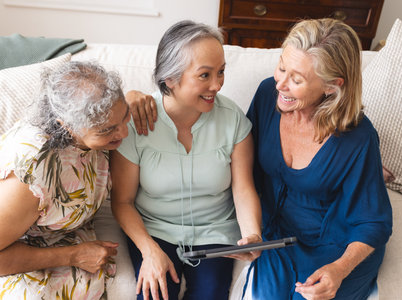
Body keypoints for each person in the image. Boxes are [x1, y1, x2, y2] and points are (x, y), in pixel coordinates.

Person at [241, 18, 393, 299]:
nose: (281, 84)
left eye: (296, 79)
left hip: (334, 244)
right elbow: (240, 158)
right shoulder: (267, 95)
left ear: (331, 87)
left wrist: (339, 269)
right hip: (276, 235)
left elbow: (374, 222)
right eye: (282, 68)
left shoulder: (358, 137)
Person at [110, 20, 262, 300]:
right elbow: (122, 201)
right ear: (170, 79)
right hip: (153, 229)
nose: (216, 85)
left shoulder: (233, 120)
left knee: (211, 294)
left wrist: (251, 233)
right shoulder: (135, 122)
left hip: (215, 231)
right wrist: (149, 250)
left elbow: (243, 189)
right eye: (204, 75)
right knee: (153, 295)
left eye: (221, 72)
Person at [0, 61, 130, 299]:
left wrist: (139, 100)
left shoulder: (99, 124)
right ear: (67, 127)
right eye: (108, 130)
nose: (124, 133)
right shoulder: (32, 172)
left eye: (125, 116)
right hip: (17, 252)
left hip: (63, 237)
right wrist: (73, 255)